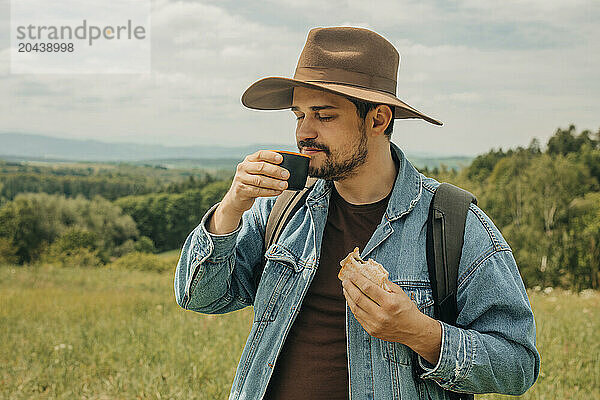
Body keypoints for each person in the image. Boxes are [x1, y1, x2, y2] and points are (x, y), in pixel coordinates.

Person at [174, 26, 540, 400]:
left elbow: (518, 366)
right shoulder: (281, 209)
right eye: (298, 115)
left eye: (324, 116)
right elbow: (199, 297)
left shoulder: (455, 224)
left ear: (378, 120)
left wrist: (417, 331)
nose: (304, 132)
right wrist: (231, 207)